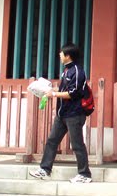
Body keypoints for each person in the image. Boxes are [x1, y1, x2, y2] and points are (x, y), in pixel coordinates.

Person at [29, 43, 92, 183]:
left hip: (74, 114)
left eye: (61, 53)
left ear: (68, 55)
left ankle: (85, 174)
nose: (59, 55)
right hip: (62, 114)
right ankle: (45, 170)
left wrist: (54, 94)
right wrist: (50, 91)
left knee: (77, 144)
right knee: (52, 141)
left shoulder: (77, 71)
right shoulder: (66, 71)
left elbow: (74, 93)